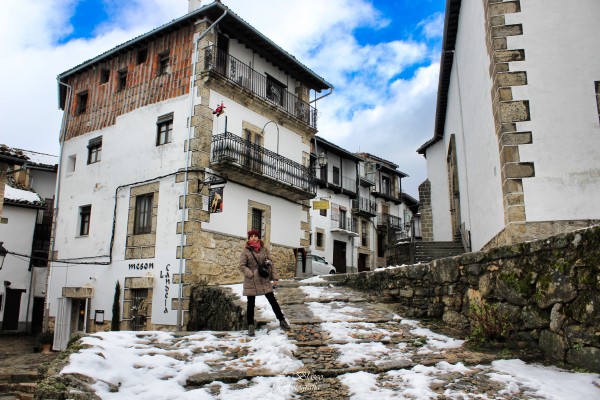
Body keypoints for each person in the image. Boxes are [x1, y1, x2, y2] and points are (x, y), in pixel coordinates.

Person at [239, 229, 291, 336]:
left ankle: (282, 320)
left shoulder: (264, 249)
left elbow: (271, 263)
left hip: (263, 279)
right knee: (251, 303)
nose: (253, 237)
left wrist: (274, 277)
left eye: (255, 236)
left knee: (272, 300)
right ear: (249, 238)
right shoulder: (246, 251)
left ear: (258, 237)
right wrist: (251, 274)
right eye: (251, 236)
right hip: (251, 280)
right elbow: (241, 266)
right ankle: (250, 325)